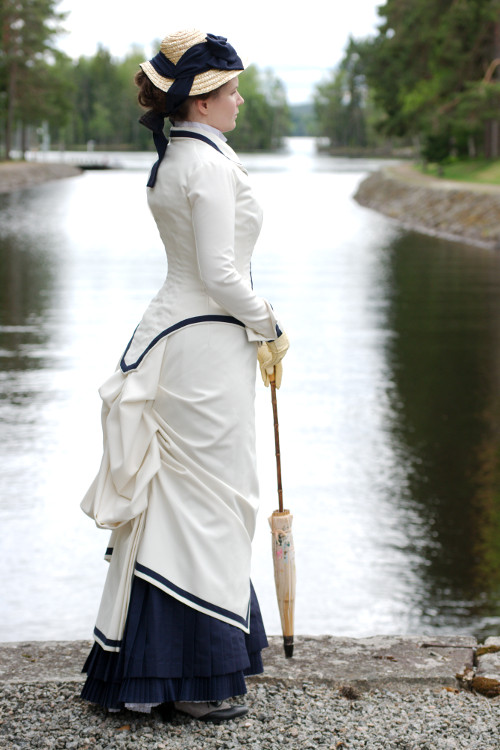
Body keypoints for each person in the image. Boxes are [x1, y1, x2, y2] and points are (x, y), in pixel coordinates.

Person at [79, 29, 289, 723]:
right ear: (200, 102)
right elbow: (220, 274)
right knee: (212, 502)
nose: (239, 101)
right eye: (230, 90)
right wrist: (270, 323)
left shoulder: (176, 158)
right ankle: (194, 681)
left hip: (174, 335)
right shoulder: (209, 166)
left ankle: (153, 672)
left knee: (184, 501)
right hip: (204, 343)